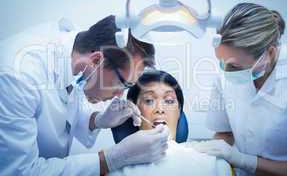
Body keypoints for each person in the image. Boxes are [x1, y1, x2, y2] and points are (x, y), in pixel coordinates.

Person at [0, 15, 169, 176]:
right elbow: (19, 172)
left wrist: (97, 120)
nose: (119, 95)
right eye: (123, 84)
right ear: (96, 61)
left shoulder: (79, 52)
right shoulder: (18, 77)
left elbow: (66, 99)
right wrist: (112, 158)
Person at [197, 3, 287, 176]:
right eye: (222, 62)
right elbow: (224, 133)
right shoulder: (224, 75)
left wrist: (244, 161)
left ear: (270, 53)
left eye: (235, 66)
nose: (226, 72)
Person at [108, 70, 232, 176]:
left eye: (169, 101)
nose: (160, 109)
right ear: (133, 112)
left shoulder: (214, 165)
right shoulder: (112, 166)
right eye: (149, 100)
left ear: (179, 112)